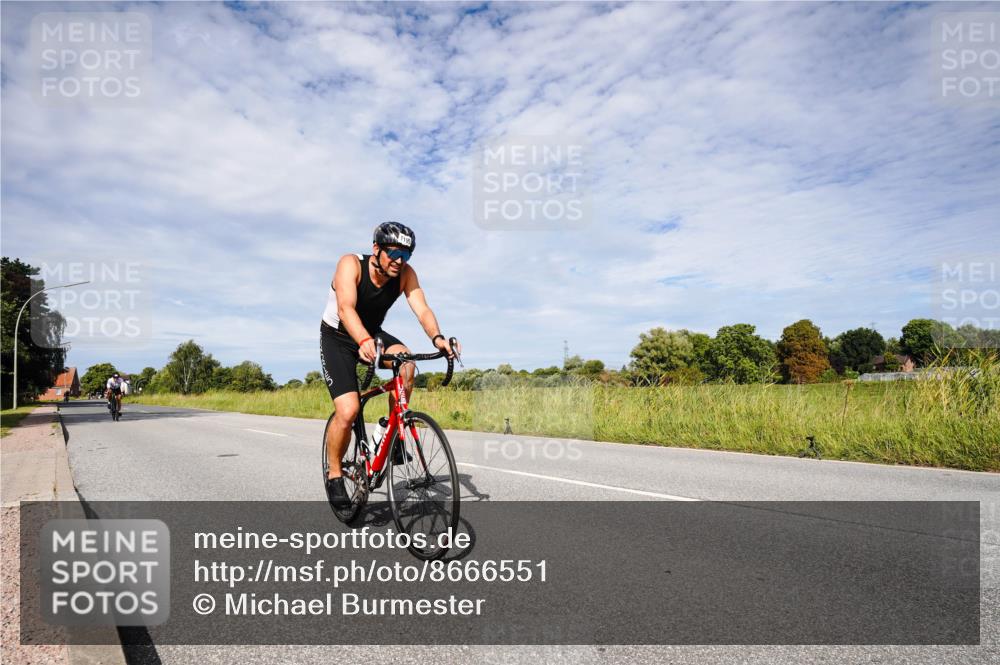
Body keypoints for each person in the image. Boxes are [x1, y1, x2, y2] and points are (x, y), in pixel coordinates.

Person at [320, 222, 459, 508]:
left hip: (371, 334)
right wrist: (361, 340)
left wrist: (438, 338)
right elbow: (346, 308)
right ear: (376, 249)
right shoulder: (351, 264)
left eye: (405, 255)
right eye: (394, 253)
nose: (399, 261)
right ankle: (335, 474)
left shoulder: (405, 274)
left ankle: (392, 429)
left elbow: (422, 308)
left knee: (406, 363)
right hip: (338, 338)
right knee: (348, 411)